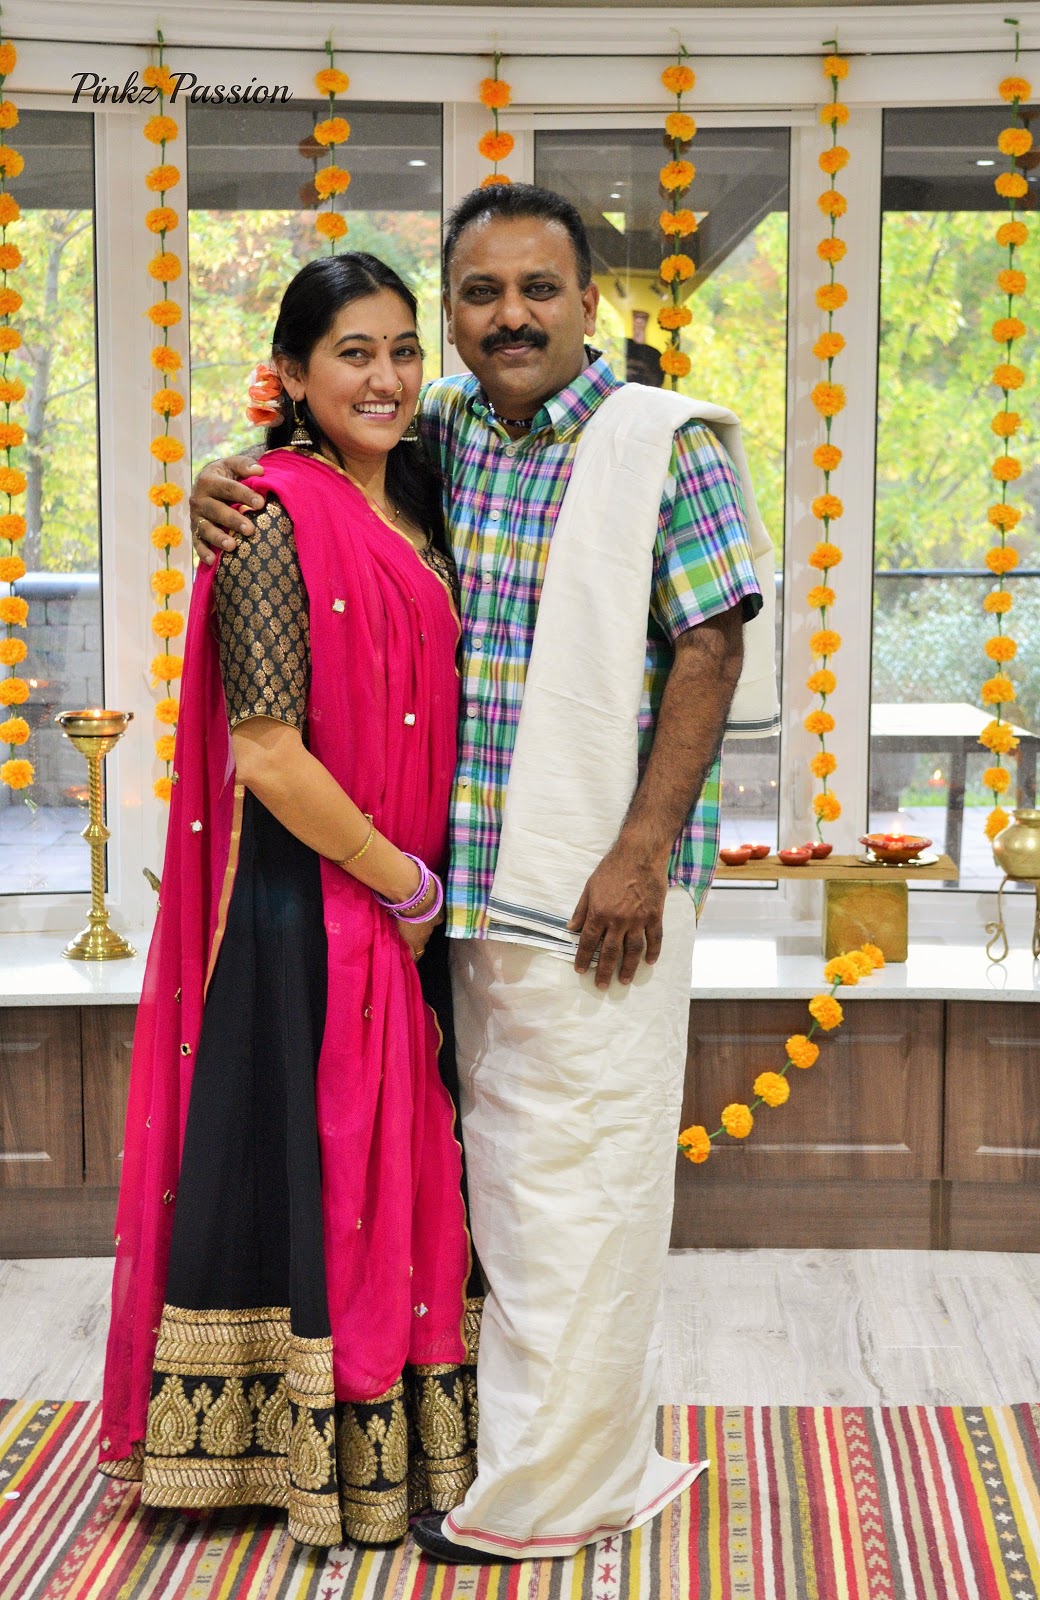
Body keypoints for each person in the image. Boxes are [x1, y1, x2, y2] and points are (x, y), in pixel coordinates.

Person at [190, 183, 777, 1563]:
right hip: (456, 890)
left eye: (538, 287)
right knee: (498, 1190)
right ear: (454, 313)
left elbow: (710, 649)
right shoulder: (444, 427)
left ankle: (554, 1496)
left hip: (603, 893)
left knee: (587, 1187)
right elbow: (320, 448)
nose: (510, 314)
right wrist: (215, 474)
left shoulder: (664, 441)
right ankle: (518, 1451)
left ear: (589, 302)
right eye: (480, 292)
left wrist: (638, 853)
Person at [99, 252, 481, 1550]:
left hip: (405, 897)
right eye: (353, 353)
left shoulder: (426, 494)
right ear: (294, 373)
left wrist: (420, 890)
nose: (385, 378)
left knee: (402, 1172)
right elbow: (266, 752)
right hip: (311, 900)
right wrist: (402, 880)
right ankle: (278, 1455)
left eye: (402, 350)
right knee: (310, 1165)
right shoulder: (266, 515)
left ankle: (398, 1440)